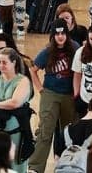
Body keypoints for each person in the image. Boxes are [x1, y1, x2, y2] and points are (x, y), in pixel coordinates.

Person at [28, 24, 78, 173]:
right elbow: (33, 69)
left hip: (69, 95)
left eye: (63, 33)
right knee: (45, 130)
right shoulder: (48, 51)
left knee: (69, 131)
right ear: (53, 36)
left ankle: (69, 164)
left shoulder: (75, 48)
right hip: (50, 93)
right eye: (57, 34)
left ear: (67, 34)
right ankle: (35, 167)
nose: (60, 37)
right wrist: (40, 89)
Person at [0, 48, 33, 173]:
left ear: (14, 62)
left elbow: (15, 103)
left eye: (4, 62)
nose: (1, 65)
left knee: (15, 163)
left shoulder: (23, 81)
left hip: (15, 132)